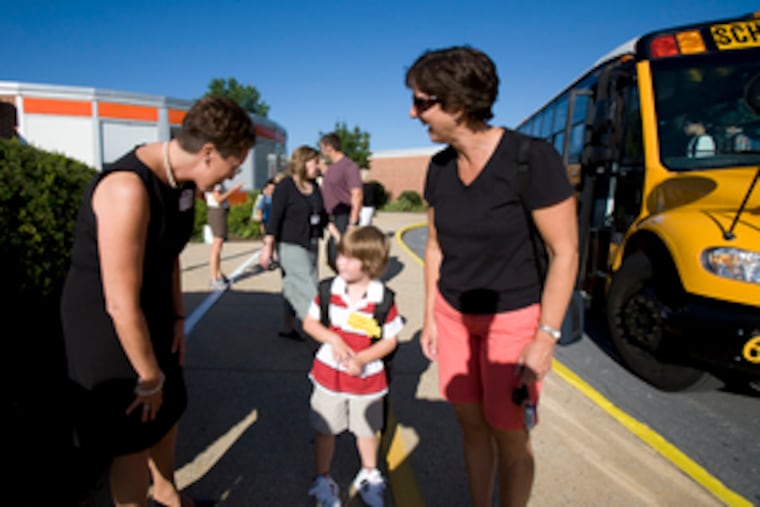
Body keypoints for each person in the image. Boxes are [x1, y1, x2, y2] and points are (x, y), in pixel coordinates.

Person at [60, 95, 256, 507]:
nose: (230, 177)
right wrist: (148, 375)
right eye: (232, 166)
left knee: (167, 413)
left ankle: (167, 494)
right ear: (207, 153)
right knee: (132, 435)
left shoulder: (182, 183)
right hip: (107, 324)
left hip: (151, 311)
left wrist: (178, 317)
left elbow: (169, 257)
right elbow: (118, 301)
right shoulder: (127, 188)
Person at [406, 46, 578, 507]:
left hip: (514, 319)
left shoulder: (530, 159)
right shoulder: (438, 168)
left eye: (422, 102)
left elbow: (564, 252)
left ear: (458, 105)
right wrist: (429, 316)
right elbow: (437, 245)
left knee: (510, 435)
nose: (412, 112)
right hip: (453, 317)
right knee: (471, 426)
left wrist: (545, 337)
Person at [302, 225, 404, 507]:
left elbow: (390, 341)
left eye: (350, 258)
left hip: (367, 379)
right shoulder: (327, 290)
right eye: (340, 255)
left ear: (370, 263)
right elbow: (309, 323)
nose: (341, 262)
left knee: (366, 430)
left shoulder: (382, 299)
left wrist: (362, 359)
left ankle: (368, 475)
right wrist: (332, 337)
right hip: (328, 376)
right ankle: (323, 478)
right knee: (325, 429)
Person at [259, 146, 336, 340]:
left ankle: (287, 326)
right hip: (290, 244)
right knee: (308, 289)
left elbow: (323, 217)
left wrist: (339, 237)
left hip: (311, 242)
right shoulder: (285, 186)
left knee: (293, 286)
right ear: (303, 162)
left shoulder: (315, 186)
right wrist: (267, 248)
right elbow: (274, 219)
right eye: (315, 162)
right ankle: (319, 337)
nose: (319, 166)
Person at [319, 132, 363, 272]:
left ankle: (352, 285)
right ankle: (345, 282)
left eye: (322, 147)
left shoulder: (349, 166)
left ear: (329, 147)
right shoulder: (331, 168)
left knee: (337, 255)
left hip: (344, 216)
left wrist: (353, 222)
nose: (321, 151)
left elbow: (357, 194)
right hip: (331, 218)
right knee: (331, 257)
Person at [205, 180, 243, 289]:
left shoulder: (218, 182)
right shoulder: (215, 183)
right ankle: (214, 277)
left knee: (219, 246)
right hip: (217, 212)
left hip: (219, 211)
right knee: (216, 247)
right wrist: (233, 190)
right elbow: (218, 199)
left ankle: (218, 273)